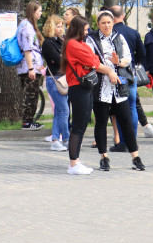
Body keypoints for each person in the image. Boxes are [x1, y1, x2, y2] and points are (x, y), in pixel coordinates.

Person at [88, 11, 145, 172]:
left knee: (126, 120)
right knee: (101, 122)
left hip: (119, 86)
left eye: (109, 22)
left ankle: (135, 156)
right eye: (103, 23)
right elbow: (91, 62)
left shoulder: (119, 37)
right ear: (98, 24)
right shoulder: (91, 39)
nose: (107, 25)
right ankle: (103, 157)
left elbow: (128, 57)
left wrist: (118, 62)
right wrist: (108, 70)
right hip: (100, 87)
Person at [61, 16, 114, 174]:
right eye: (84, 30)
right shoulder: (73, 44)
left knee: (82, 125)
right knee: (78, 126)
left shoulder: (79, 43)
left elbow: (93, 58)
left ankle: (75, 160)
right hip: (78, 87)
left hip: (83, 87)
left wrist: (91, 60)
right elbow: (94, 62)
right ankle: (73, 164)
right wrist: (93, 62)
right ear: (77, 29)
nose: (87, 32)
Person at [109, 5, 153, 147]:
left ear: (111, 17)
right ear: (123, 16)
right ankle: (133, 138)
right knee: (132, 106)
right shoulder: (133, 32)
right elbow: (142, 54)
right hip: (130, 73)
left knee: (119, 106)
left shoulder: (111, 33)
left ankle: (123, 140)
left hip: (116, 73)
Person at [41, 15, 69, 151]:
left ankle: (55, 140)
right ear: (51, 27)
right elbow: (59, 61)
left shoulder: (60, 41)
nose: (61, 28)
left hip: (62, 78)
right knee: (64, 111)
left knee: (59, 111)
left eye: (62, 26)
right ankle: (67, 139)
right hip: (55, 80)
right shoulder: (48, 43)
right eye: (58, 26)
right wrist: (65, 58)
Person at [16, 1, 45, 130]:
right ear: (33, 12)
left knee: (32, 94)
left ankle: (29, 121)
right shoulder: (27, 27)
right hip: (29, 66)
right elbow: (27, 49)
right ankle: (27, 122)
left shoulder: (26, 25)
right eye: (39, 11)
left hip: (30, 66)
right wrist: (31, 68)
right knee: (31, 95)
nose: (41, 13)